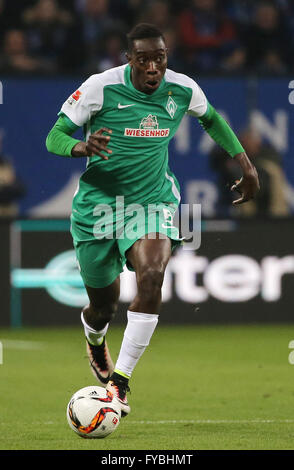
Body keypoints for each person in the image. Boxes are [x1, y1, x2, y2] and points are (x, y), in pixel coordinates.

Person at [46, 23, 259, 417]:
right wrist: (79, 145)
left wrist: (246, 165)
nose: (152, 68)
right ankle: (95, 339)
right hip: (97, 208)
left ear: (165, 58)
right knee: (103, 306)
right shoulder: (100, 87)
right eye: (143, 60)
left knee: (151, 273)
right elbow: (54, 135)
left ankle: (119, 385)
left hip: (151, 202)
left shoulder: (182, 88)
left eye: (159, 58)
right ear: (129, 59)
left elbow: (211, 118)